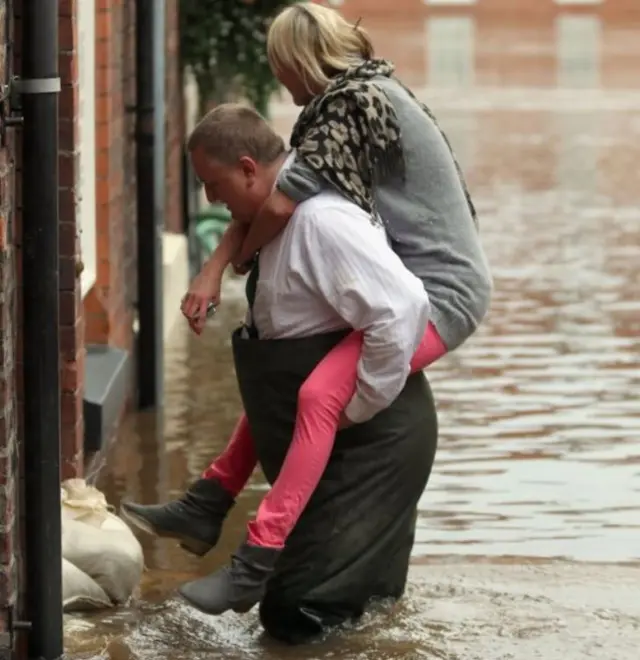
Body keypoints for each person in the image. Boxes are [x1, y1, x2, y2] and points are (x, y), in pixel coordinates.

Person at [172, 4, 490, 550]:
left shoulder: (353, 106)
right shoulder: (355, 96)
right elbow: (270, 202)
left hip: (443, 294)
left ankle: (261, 548)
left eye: (278, 64)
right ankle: (210, 498)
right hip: (407, 280)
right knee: (292, 364)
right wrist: (219, 261)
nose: (275, 77)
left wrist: (232, 263)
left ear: (301, 61)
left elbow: (276, 209)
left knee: (317, 394)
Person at [123, 104, 439, 643]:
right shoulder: (273, 216)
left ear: (249, 168)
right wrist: (214, 266)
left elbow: (404, 307)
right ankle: (210, 509)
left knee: (298, 612)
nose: (209, 200)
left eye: (213, 184)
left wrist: (356, 401)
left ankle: (253, 559)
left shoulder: (322, 222)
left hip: (374, 443)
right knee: (346, 608)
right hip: (338, 437)